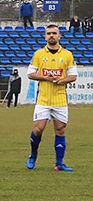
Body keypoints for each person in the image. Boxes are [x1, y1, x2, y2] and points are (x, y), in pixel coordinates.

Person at [26, 24, 77, 171]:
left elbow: (73, 76)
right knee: (38, 129)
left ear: (59, 36)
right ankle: (33, 154)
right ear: (45, 36)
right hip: (43, 98)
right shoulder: (39, 54)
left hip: (60, 99)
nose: (51, 36)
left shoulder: (67, 55)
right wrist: (46, 78)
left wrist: (61, 80)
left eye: (54, 33)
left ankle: (59, 163)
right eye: (49, 33)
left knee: (60, 130)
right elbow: (30, 74)